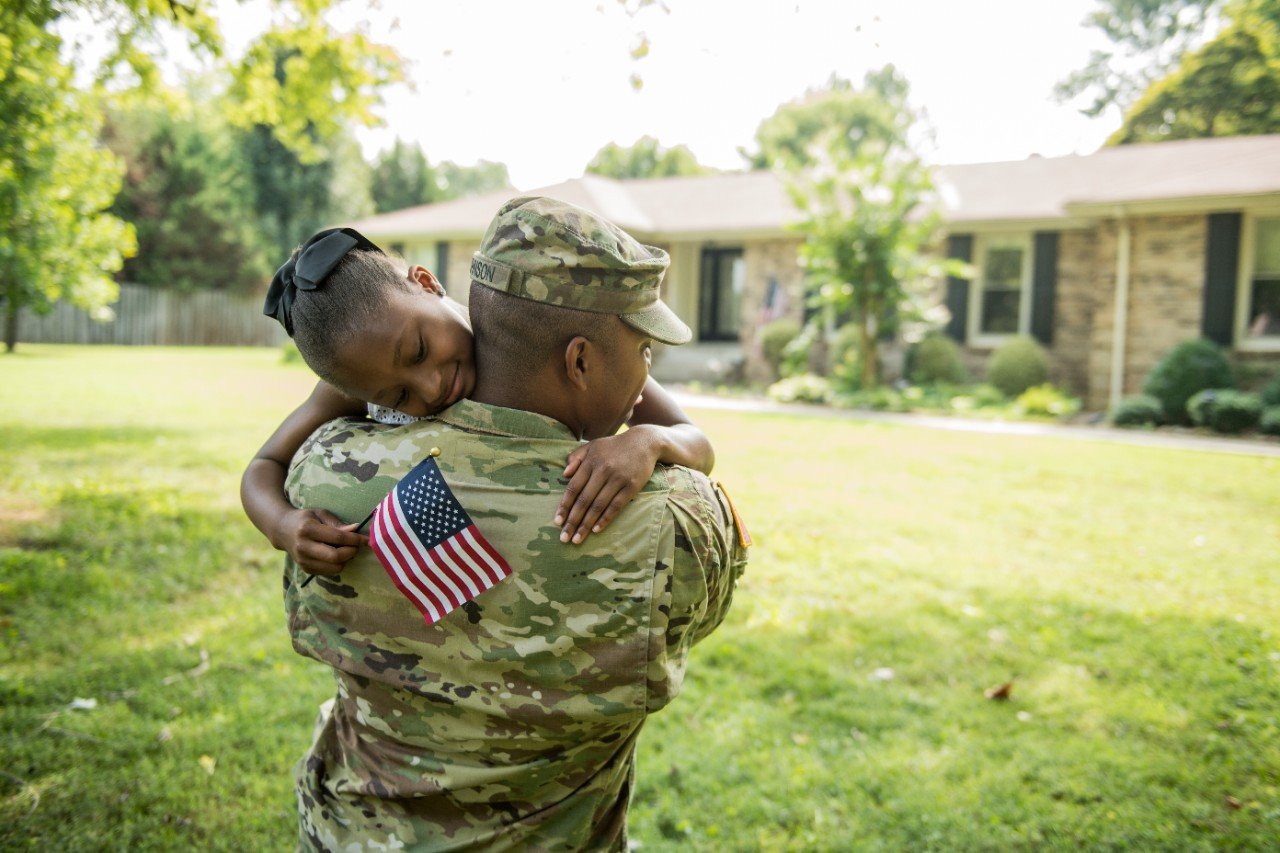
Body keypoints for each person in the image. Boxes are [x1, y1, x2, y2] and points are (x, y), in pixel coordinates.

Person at [281, 196, 749, 849]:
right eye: (645, 348)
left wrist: (647, 437)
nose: (427, 387)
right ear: (580, 362)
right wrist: (654, 443)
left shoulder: (325, 476)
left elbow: (269, 468)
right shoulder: (675, 521)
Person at [241, 225, 714, 577]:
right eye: (398, 396)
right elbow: (264, 465)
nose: (430, 387)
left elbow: (696, 441)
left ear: (426, 282)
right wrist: (281, 525)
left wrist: (646, 441)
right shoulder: (356, 383)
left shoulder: (519, 337)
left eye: (419, 350)